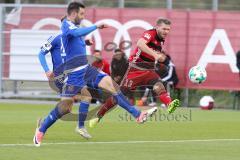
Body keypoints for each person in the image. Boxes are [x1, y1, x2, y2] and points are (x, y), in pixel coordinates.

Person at [33, 2, 157, 147]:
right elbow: (45, 51)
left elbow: (76, 39)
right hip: (70, 75)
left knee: (112, 86)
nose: (82, 17)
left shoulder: (75, 32)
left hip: (86, 69)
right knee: (65, 108)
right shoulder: (64, 29)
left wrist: (85, 42)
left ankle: (138, 115)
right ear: (70, 17)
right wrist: (47, 70)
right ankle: (41, 130)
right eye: (81, 14)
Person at [89, 18, 180, 127]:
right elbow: (140, 44)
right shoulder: (150, 33)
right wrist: (156, 55)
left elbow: (150, 53)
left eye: (168, 29)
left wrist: (157, 58)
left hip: (148, 70)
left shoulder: (160, 40)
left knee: (158, 84)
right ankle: (99, 115)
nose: (166, 31)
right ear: (157, 27)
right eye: (164, 29)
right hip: (135, 69)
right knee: (118, 96)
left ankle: (169, 104)